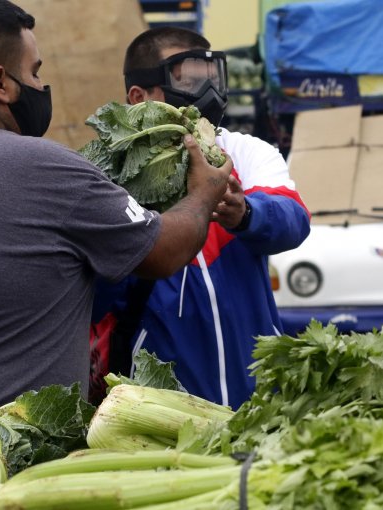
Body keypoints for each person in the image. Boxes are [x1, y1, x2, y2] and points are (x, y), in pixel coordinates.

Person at [0, 0, 232, 420]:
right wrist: (204, 193)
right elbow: (162, 249)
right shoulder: (41, 166)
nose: (39, 85)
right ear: (1, 83)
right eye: (34, 72)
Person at [91, 27, 311, 408]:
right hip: (159, 406)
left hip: (257, 393)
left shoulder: (244, 151)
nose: (206, 93)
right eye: (188, 81)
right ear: (139, 98)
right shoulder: (109, 176)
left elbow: (293, 221)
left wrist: (246, 214)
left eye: (212, 79)